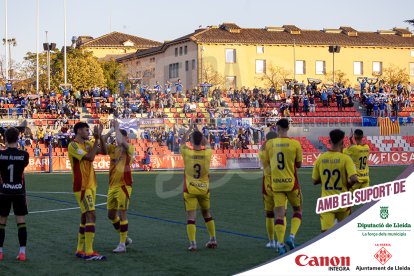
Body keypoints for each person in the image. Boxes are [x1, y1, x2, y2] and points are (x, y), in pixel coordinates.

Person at [262, 118, 303, 255]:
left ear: (277, 128)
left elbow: (266, 163)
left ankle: (280, 244)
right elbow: (299, 165)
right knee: (297, 210)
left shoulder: (270, 144)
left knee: (279, 215)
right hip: (291, 183)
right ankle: (291, 237)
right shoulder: (295, 144)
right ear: (288, 128)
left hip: (276, 184)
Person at [68, 122, 106, 261]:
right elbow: (90, 158)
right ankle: (89, 252)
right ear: (78, 131)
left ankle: (79, 249)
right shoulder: (73, 145)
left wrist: (100, 136)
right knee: (91, 216)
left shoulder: (89, 143)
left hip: (91, 185)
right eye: (86, 129)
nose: (88, 131)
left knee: (85, 217)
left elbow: (105, 152)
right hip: (82, 186)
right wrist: (96, 139)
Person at [312, 129, 358, 232]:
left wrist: (325, 180)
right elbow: (354, 178)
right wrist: (348, 183)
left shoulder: (321, 158)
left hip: (327, 201)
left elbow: (314, 181)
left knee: (326, 234)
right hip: (342, 200)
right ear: (342, 142)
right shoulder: (346, 159)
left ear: (329, 141)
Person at [180, 122, 216, 251]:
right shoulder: (207, 153)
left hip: (190, 189)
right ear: (201, 140)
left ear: (191, 140)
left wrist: (189, 130)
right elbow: (207, 144)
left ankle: (193, 243)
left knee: (191, 216)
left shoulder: (187, 153)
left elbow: (182, 142)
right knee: (206, 213)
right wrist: (199, 132)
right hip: (204, 189)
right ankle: (213, 238)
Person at [100, 120, 134, 253]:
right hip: (112, 185)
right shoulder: (113, 149)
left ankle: (122, 244)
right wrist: (109, 131)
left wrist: (117, 128)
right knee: (110, 215)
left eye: (120, 136)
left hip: (124, 185)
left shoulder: (129, 148)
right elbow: (102, 143)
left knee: (122, 213)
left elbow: (121, 142)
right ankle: (124, 238)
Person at [0, 127, 30, 261]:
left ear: (5, 139)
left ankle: (0, 251)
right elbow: (22, 174)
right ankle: (22, 252)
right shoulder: (24, 155)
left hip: (4, 192)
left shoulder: (0, 154)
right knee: (21, 222)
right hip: (19, 192)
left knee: (1, 222)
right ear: (18, 139)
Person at [258, 131, 283, 249]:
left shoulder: (263, 152)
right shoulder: (281, 150)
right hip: (281, 183)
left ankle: (272, 241)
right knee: (282, 214)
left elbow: (262, 152)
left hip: (268, 184)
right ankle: (280, 241)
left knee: (269, 214)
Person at [343, 129, 370, 193]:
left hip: (356, 179)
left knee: (345, 195)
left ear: (354, 136)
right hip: (365, 178)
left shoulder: (353, 149)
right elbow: (356, 148)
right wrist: (351, 140)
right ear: (362, 136)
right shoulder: (367, 147)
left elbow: (346, 150)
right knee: (366, 199)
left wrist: (350, 139)